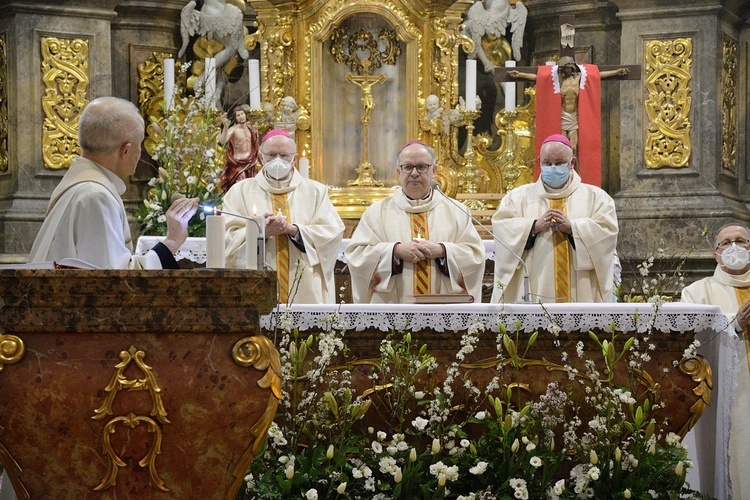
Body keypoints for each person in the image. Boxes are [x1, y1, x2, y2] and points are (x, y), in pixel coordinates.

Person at [27, 96, 198, 269]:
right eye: (140, 145)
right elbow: (115, 281)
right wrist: (172, 241)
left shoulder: (80, 186)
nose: (140, 153)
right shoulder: (96, 197)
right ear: (126, 150)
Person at [345, 141, 485, 303]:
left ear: (434, 171)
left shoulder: (457, 212)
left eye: (421, 167)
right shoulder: (376, 212)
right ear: (398, 172)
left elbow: (475, 256)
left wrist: (442, 250)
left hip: (444, 310)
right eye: (407, 167)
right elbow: (357, 256)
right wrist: (395, 251)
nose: (414, 173)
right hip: (392, 311)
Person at [491, 133, 618, 303]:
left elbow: (607, 232)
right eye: (547, 163)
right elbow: (502, 228)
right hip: (533, 289)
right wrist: (533, 227)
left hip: (580, 291)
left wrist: (573, 228)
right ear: (539, 162)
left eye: (559, 163)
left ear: (571, 163)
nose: (552, 168)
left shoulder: (596, 197)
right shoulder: (517, 197)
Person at [222, 129, 344, 304]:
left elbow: (332, 233)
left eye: (284, 155)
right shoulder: (240, 191)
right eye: (271, 155)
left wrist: (293, 230)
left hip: (306, 288)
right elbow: (226, 237)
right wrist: (260, 232)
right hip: (254, 288)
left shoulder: (315, 191)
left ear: (294, 158)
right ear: (261, 157)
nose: (278, 160)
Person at [680, 223, 750, 499]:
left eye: (741, 241)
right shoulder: (697, 294)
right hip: (728, 396)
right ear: (716, 254)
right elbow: (690, 346)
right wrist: (735, 326)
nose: (734, 247)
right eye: (726, 243)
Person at [508, 57, 629, 187]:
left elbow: (598, 75)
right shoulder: (558, 81)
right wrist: (520, 74)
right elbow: (538, 78)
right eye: (562, 69)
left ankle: (573, 173)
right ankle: (562, 176)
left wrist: (616, 72)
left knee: (574, 147)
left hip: (574, 116)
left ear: (571, 67)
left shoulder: (580, 78)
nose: (564, 71)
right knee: (561, 146)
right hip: (563, 116)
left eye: (566, 68)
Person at [218, 104, 260, 193]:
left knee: (252, 189)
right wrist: (225, 126)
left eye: (242, 114)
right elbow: (223, 141)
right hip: (238, 164)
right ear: (235, 118)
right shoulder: (233, 130)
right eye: (238, 115)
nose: (241, 117)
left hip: (251, 163)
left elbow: (256, 148)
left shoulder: (252, 130)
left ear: (245, 115)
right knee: (241, 187)